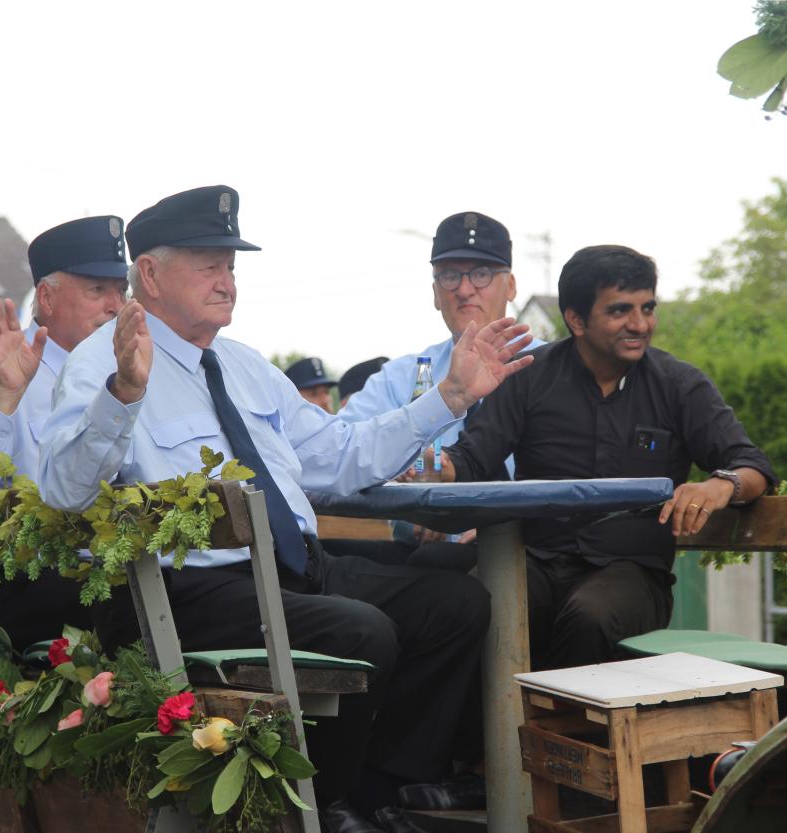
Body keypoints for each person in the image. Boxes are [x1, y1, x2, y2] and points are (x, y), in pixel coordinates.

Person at [38, 185, 533, 833]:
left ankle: (373, 792)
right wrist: (123, 395)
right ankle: (317, 806)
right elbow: (64, 491)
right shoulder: (102, 363)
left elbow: (340, 454)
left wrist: (449, 396)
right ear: (150, 276)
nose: (227, 281)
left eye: (232, 265)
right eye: (208, 264)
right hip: (187, 587)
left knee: (456, 603)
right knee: (362, 631)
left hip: (291, 571)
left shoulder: (246, 368)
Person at [443, 244, 778, 672]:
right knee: (469, 604)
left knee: (590, 616)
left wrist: (721, 485)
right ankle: (478, 739)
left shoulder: (679, 385)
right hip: (537, 560)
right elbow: (471, 458)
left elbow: (753, 466)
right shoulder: (527, 376)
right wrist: (419, 465)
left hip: (633, 574)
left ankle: (560, 737)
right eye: (620, 311)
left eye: (647, 308)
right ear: (576, 320)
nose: (639, 324)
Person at [0, 215, 129, 647]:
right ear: (47, 298)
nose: (116, 305)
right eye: (97, 290)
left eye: (122, 290)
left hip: (130, 581)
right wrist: (5, 397)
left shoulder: (133, 373)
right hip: (32, 597)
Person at [338, 211, 542, 569]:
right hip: (428, 564)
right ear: (435, 292)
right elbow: (338, 448)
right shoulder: (403, 377)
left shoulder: (551, 367)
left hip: (536, 555)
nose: (464, 290)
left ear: (510, 286)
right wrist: (410, 505)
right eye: (450, 276)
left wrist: (503, 525)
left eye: (481, 273)